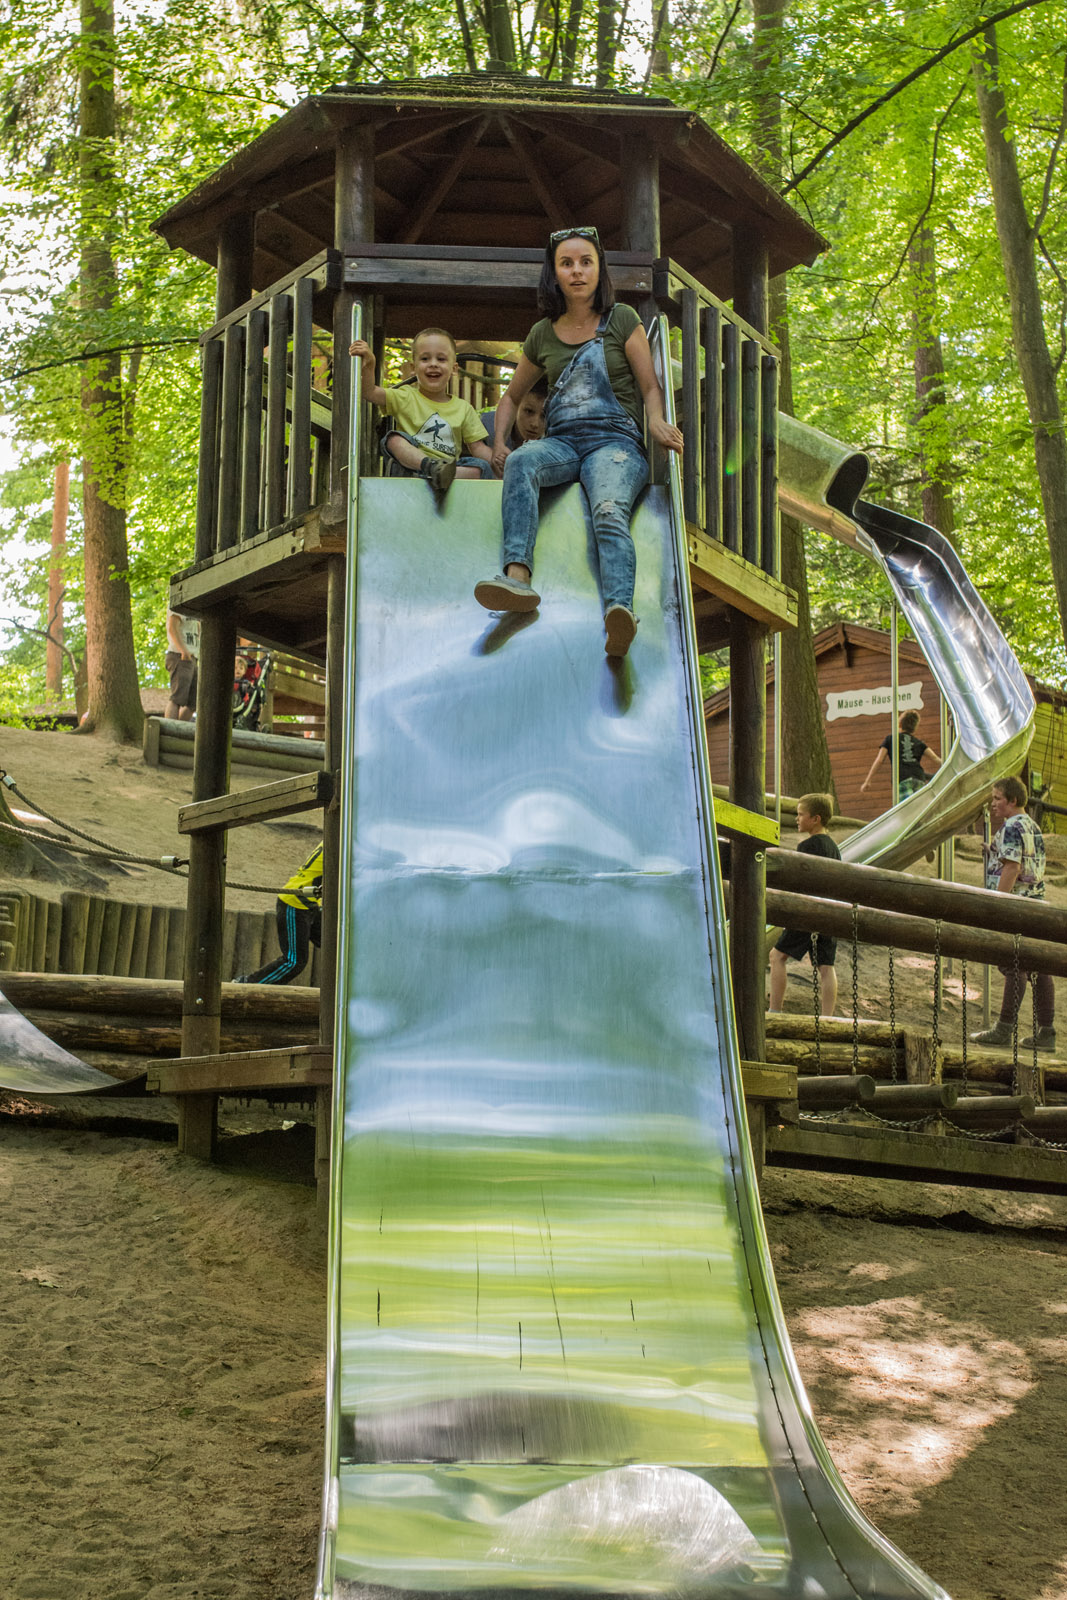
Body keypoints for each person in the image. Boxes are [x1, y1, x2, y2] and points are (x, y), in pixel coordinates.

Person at [473, 225, 683, 658]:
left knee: (607, 509)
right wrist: (500, 442)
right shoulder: (542, 333)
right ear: (554, 273)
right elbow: (511, 397)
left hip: (615, 444)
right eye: (566, 263)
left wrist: (657, 422)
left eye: (586, 262)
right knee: (523, 461)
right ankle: (517, 579)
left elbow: (650, 385)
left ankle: (619, 612)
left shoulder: (622, 319)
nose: (577, 271)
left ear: (599, 269)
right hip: (564, 443)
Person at [349, 327, 493, 492]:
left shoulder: (463, 408)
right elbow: (369, 392)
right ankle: (432, 469)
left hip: (449, 470)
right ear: (413, 367)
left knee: (481, 467)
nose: (433, 364)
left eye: (441, 359)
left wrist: (504, 463)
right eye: (425, 359)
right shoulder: (406, 396)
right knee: (392, 439)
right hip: (411, 469)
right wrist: (369, 365)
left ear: (454, 369)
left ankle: (443, 475)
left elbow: (478, 448)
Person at [971, 776, 1055, 1050]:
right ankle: (1046, 1032)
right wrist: (992, 852)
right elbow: (1020, 860)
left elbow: (1013, 867)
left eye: (997, 798)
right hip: (1036, 905)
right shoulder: (1032, 826)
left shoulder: (1010, 827)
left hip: (1016, 906)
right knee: (1039, 967)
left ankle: (1004, 1029)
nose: (993, 804)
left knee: (1013, 964)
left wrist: (999, 903)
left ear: (1013, 800)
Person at [768, 793, 841, 1017]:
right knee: (826, 966)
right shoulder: (833, 847)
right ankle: (828, 1018)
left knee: (776, 956)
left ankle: (775, 1011)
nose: (797, 819)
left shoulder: (808, 846)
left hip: (807, 911)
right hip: (830, 912)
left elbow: (800, 881)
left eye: (801, 814)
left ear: (815, 819)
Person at [234, 842, 323, 985]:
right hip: (296, 902)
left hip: (311, 903)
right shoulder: (345, 842)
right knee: (294, 961)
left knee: (340, 946)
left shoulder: (340, 839)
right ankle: (248, 986)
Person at [861, 709, 941, 803]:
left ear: (899, 724)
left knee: (907, 808)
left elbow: (879, 760)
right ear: (914, 728)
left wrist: (868, 780)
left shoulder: (891, 739)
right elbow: (935, 758)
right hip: (919, 779)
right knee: (920, 807)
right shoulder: (918, 743)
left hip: (903, 779)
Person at [480, 379, 547, 452]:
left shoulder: (552, 442)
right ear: (515, 406)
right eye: (529, 411)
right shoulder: (486, 427)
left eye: (544, 416)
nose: (535, 424)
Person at [165, 609, 199, 721]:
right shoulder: (178, 606)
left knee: (194, 702)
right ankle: (170, 728)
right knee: (177, 697)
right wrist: (183, 651)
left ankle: (178, 728)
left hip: (193, 657)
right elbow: (172, 627)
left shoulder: (195, 610)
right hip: (180, 655)